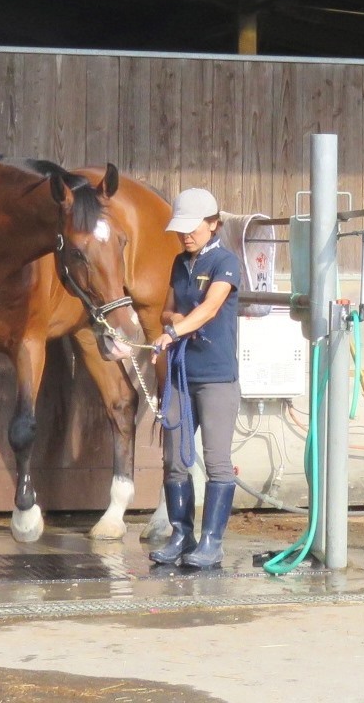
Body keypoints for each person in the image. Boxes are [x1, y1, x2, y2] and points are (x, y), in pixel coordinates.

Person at [148, 187, 244, 570]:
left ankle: (211, 541)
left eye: (193, 228)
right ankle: (181, 533)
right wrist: (173, 323)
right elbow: (166, 311)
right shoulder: (178, 263)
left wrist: (175, 330)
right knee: (174, 458)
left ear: (213, 224)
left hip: (216, 377)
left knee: (217, 460)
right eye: (181, 229)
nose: (185, 235)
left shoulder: (226, 262)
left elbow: (210, 308)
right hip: (180, 374)